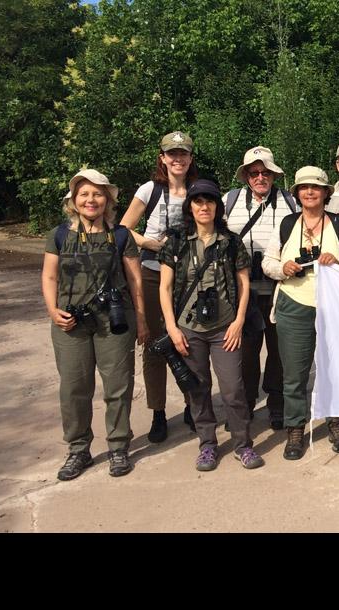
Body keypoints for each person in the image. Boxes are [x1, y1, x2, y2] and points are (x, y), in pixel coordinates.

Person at [43, 169, 148, 480]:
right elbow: (49, 276)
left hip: (114, 320)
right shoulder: (59, 235)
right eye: (84, 194)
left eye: (98, 194)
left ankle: (118, 447)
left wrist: (142, 319)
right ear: (74, 200)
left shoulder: (121, 236)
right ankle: (78, 449)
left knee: (118, 385)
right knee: (74, 387)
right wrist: (52, 310)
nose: (91, 200)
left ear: (108, 200)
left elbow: (135, 280)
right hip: (70, 321)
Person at [157, 179, 264, 471]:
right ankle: (207, 444)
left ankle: (243, 444)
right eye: (198, 201)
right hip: (188, 327)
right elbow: (165, 287)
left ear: (217, 206)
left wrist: (239, 321)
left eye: (210, 201)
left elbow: (244, 285)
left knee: (233, 389)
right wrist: (172, 328)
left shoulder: (231, 242)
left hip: (225, 328)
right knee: (198, 388)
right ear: (190, 207)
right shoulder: (176, 241)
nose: (204, 207)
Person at [262, 166, 339, 460]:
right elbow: (268, 262)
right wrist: (283, 268)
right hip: (293, 302)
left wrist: (337, 262)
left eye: (316, 187)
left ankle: (336, 421)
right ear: (297, 193)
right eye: (304, 187)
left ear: (326, 192)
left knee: (334, 369)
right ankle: (295, 427)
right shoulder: (287, 224)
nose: (310, 192)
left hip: (333, 305)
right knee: (294, 373)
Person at [120, 130, 198, 443]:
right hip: (152, 272)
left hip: (188, 276)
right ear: (162, 158)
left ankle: (193, 404)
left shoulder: (198, 189)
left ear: (190, 158)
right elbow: (123, 229)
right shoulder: (149, 189)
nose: (178, 159)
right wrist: (149, 243)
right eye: (172, 153)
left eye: (183, 153)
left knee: (189, 341)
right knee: (154, 345)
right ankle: (158, 412)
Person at [224, 146, 297, 430]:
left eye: (265, 172)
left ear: (273, 174)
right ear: (246, 176)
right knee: (245, 351)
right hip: (243, 289)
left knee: (279, 350)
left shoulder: (290, 202)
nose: (260, 177)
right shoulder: (230, 201)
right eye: (254, 173)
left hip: (280, 285)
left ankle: (276, 403)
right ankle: (245, 403)